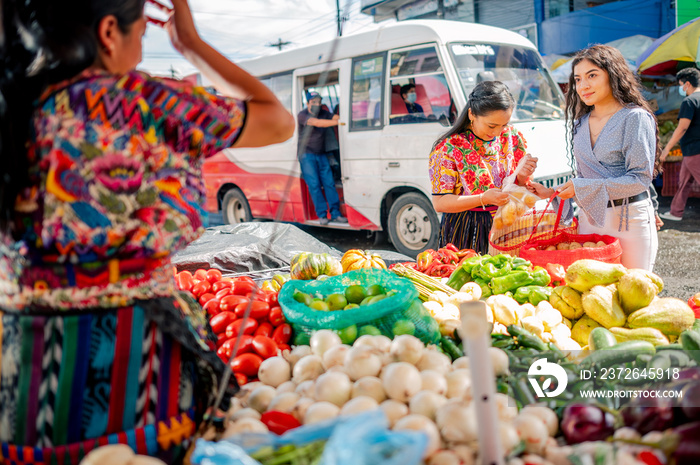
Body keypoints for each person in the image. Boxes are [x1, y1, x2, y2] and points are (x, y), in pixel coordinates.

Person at [0, 0, 294, 462]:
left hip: (18, 375)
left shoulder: (13, 100)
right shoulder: (144, 100)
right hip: (133, 367)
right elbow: (277, 121)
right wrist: (192, 45)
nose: (140, 52)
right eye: (141, 36)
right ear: (109, 31)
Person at [528, 45, 659, 271]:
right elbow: (585, 178)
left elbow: (639, 179)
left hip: (629, 219)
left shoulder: (634, 117)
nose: (583, 86)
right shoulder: (580, 123)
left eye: (592, 75)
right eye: (578, 79)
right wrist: (553, 193)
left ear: (613, 74)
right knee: (592, 291)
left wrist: (581, 187)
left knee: (634, 290)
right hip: (589, 221)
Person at [429, 81, 537, 253]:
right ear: (472, 114)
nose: (497, 132)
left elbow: (520, 185)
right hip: (467, 227)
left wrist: (523, 176)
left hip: (507, 223)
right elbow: (440, 203)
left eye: (503, 125)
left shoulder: (512, 137)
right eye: (491, 125)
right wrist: (483, 198)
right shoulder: (449, 148)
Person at [297, 92, 347, 225]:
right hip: (306, 155)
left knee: (329, 183)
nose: (316, 105)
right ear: (307, 103)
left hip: (321, 154)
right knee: (314, 185)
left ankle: (335, 214)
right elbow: (317, 123)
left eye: (318, 102)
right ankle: (322, 215)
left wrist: (338, 119)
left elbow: (337, 116)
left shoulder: (324, 113)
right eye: (313, 102)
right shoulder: (302, 115)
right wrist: (338, 122)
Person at [659, 68, 700, 221]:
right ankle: (676, 212)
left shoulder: (690, 101)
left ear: (687, 84)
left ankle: (676, 212)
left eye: (681, 85)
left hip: (694, 150)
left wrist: (666, 149)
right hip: (691, 151)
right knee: (684, 182)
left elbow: (682, 128)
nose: (681, 89)